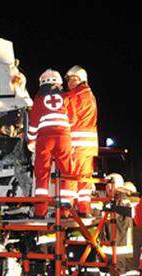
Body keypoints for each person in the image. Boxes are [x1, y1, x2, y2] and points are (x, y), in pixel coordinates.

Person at [26, 69, 74, 218]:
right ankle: (65, 211)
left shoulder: (39, 98)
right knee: (66, 174)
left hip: (44, 138)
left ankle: (40, 211)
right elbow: (72, 119)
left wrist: (31, 140)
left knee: (42, 174)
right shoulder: (66, 97)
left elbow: (33, 123)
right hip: (63, 137)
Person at [64, 65, 98, 218]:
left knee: (71, 176)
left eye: (73, 79)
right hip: (89, 145)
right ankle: (85, 209)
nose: (70, 82)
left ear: (81, 80)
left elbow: (69, 120)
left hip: (76, 142)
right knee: (84, 178)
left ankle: (65, 210)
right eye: (69, 80)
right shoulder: (90, 95)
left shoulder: (73, 96)